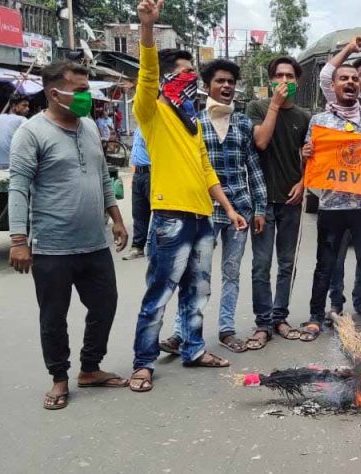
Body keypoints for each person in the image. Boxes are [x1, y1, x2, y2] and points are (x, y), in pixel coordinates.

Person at [129, 0, 247, 393]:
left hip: (203, 218)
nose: (190, 81)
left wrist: (229, 209)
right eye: (182, 76)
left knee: (198, 290)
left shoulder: (192, 122)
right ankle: (143, 362)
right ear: (164, 82)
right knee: (159, 292)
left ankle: (193, 349)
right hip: (170, 216)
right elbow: (146, 75)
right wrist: (147, 28)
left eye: (191, 76)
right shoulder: (152, 112)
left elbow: (207, 171)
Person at [7, 61, 130, 410]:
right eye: (78, 91)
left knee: (105, 305)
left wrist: (117, 219)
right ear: (53, 93)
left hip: (94, 242)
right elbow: (18, 187)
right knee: (53, 315)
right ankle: (59, 378)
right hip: (53, 247)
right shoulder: (31, 133)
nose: (85, 97)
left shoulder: (90, 127)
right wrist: (18, 240)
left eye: (86, 89)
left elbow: (103, 177)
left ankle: (90, 368)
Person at [159, 59, 269, 354]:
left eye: (231, 82)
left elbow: (254, 167)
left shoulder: (244, 123)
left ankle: (226, 330)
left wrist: (260, 208)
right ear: (207, 87)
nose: (226, 86)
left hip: (240, 210)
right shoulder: (192, 122)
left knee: (231, 272)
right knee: (197, 274)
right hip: (203, 210)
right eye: (220, 81)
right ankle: (182, 332)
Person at [302, 62, 361, 339]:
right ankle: (316, 315)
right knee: (325, 263)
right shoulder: (319, 122)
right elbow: (309, 158)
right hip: (331, 206)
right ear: (334, 85)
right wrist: (306, 152)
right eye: (344, 79)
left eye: (354, 79)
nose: (350, 82)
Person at [319, 36, 361, 315]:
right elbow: (326, 73)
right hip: (335, 202)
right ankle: (336, 305)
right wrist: (349, 48)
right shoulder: (333, 108)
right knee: (334, 259)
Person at [246, 56, 313, 344]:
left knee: (287, 263)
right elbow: (260, 141)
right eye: (280, 76)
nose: (285, 81)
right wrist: (274, 104)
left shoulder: (303, 117)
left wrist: (303, 182)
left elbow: (311, 156)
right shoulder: (257, 107)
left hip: (291, 201)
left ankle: (279, 317)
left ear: (298, 82)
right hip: (262, 202)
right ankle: (263, 323)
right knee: (261, 264)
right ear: (270, 80)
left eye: (290, 77)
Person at [123, 128, 151, 260]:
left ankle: (158, 248)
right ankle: (138, 247)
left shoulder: (152, 124)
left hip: (152, 172)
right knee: (138, 212)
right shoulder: (139, 128)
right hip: (138, 174)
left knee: (159, 213)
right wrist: (133, 174)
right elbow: (136, 153)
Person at [0, 95, 31, 169]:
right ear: (14, 106)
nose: (27, 109)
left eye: (28, 106)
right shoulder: (23, 120)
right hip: (14, 164)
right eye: (24, 106)